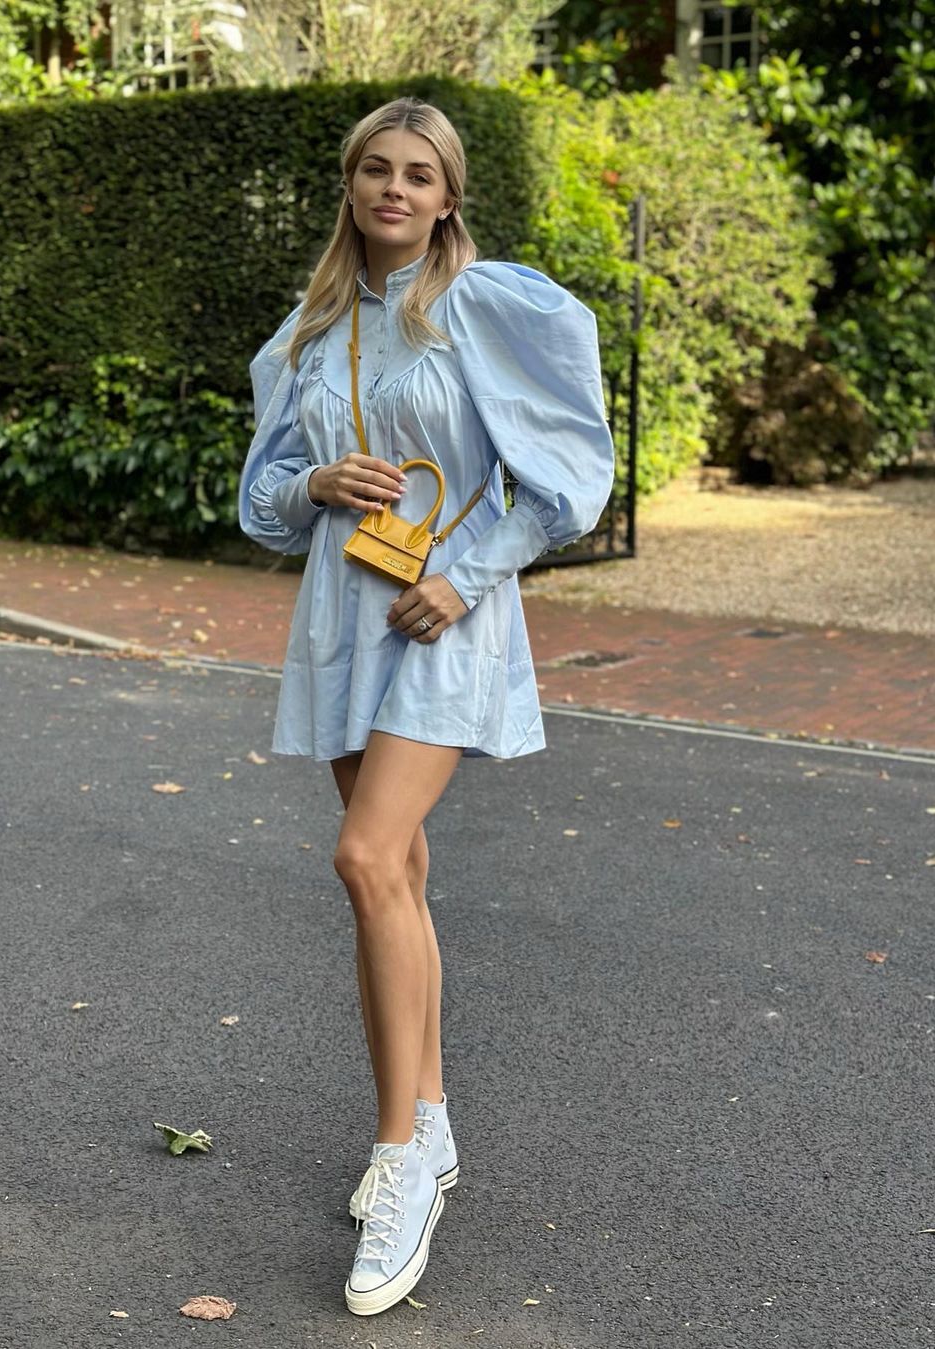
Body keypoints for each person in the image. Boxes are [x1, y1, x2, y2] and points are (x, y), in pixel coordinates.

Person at [238, 95, 615, 1317]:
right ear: (350, 186)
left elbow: (566, 480)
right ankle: (430, 1119)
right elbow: (260, 504)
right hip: (343, 615)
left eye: (418, 173)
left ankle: (401, 1160)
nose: (394, 189)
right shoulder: (310, 330)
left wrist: (468, 575)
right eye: (376, 170)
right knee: (392, 871)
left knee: (364, 854)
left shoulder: (487, 307)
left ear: (449, 196)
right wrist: (315, 483)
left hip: (443, 615)